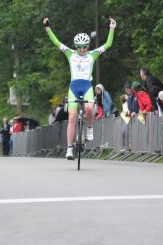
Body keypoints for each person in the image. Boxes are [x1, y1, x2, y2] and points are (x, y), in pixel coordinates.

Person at [43, 16, 116, 160]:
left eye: (85, 46)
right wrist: (47, 28)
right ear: (76, 46)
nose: (82, 49)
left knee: (89, 108)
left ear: (88, 46)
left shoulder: (92, 55)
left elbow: (108, 44)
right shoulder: (70, 53)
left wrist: (112, 28)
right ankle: (69, 149)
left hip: (87, 86)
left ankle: (89, 129)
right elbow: (56, 42)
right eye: (80, 47)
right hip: (74, 87)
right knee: (72, 117)